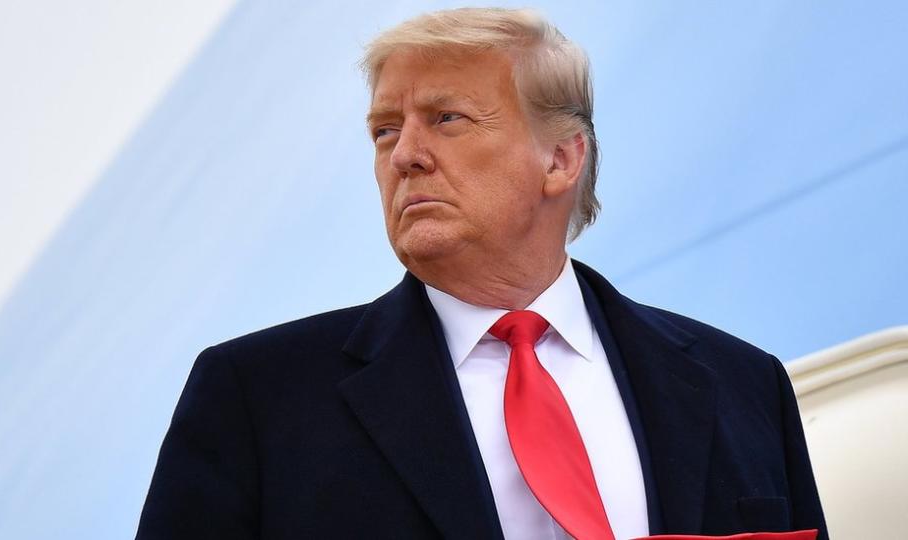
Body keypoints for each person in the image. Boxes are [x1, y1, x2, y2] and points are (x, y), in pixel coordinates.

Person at [135, 8, 828, 540]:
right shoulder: (256, 400)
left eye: (446, 119)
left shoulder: (746, 386)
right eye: (384, 130)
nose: (405, 155)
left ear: (561, 159)